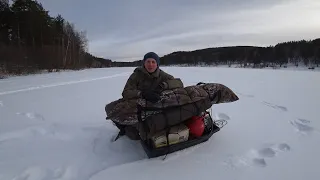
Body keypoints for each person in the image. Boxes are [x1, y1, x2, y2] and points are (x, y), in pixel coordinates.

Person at [114, 52, 184, 141]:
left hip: (156, 105)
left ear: (157, 64)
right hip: (138, 104)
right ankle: (124, 129)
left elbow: (178, 83)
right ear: (144, 63)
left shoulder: (161, 74)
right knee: (111, 108)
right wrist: (141, 93)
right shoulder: (137, 75)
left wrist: (163, 85)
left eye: (153, 62)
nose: (150, 65)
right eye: (148, 62)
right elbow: (126, 92)